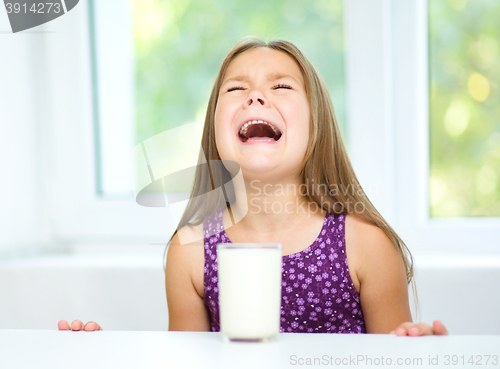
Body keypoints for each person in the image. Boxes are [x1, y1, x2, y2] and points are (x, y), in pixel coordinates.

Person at [58, 37, 448, 336]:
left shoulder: (365, 244)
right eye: (234, 90)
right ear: (215, 128)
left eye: (281, 87)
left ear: (317, 124)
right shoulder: (190, 252)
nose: (256, 96)